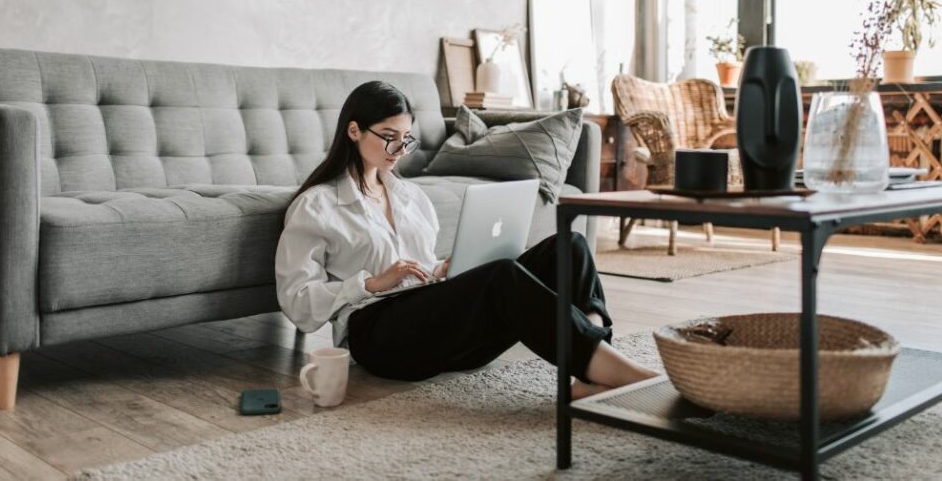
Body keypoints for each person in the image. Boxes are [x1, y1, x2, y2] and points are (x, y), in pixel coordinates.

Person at [275, 81, 657, 399]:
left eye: (406, 140)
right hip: (377, 335)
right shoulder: (318, 204)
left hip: (435, 328)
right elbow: (297, 300)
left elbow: (420, 268)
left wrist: (444, 271)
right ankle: (621, 375)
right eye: (389, 138)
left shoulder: (411, 197)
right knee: (503, 276)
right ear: (354, 130)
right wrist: (370, 283)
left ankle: (592, 372)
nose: (398, 151)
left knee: (568, 246)